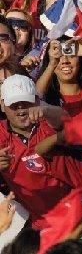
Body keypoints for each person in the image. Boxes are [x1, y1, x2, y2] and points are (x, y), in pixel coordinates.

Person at [0, 74, 73, 229]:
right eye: (13, 103)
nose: (20, 107)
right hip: (36, 226)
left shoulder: (48, 122)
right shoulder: (0, 133)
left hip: (77, 218)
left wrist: (45, 110)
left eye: (26, 102)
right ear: (2, 105)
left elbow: (64, 119)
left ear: (37, 101)